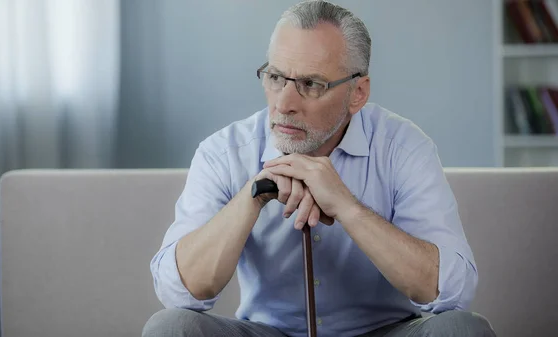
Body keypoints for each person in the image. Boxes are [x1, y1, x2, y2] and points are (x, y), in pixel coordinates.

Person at [142, 1, 496, 336]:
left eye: (311, 84)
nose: (284, 103)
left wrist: (346, 206)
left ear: (357, 92)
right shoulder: (224, 153)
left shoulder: (403, 148)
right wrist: (254, 195)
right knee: (170, 328)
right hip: (269, 332)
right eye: (276, 77)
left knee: (462, 329)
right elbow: (179, 293)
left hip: (387, 331)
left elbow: (453, 291)